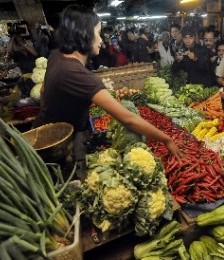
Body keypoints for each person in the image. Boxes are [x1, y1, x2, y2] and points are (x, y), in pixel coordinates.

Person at [33, 5, 183, 178]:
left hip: (45, 134)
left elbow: (45, 91)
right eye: (98, 33)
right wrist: (166, 139)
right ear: (84, 33)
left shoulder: (57, 54)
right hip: (53, 149)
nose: (101, 40)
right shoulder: (76, 73)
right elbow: (128, 118)